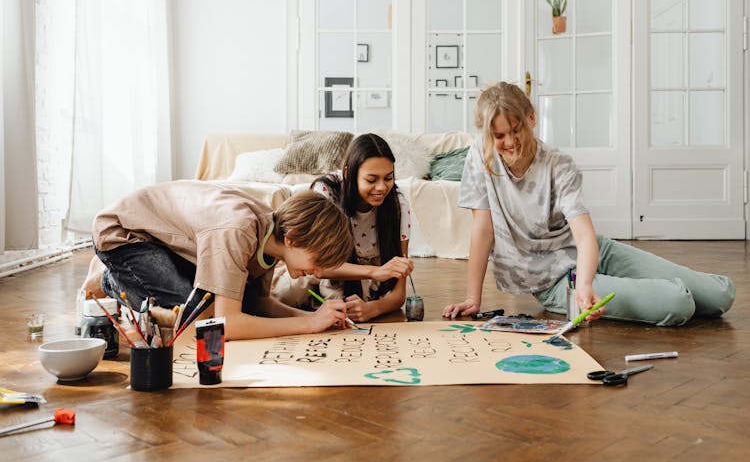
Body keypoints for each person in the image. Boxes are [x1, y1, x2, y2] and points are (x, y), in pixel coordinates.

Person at [443, 81, 735, 326]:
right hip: (554, 281)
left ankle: (679, 289)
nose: (510, 142)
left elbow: (584, 236)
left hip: (593, 254)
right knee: (678, 303)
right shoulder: (478, 158)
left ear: (531, 118)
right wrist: (473, 298)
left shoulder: (559, 166)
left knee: (722, 295)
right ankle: (665, 294)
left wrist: (585, 285)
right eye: (499, 135)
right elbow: (483, 231)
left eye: (516, 129)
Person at [82, 181, 355, 340]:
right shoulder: (238, 230)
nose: (318, 272)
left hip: (172, 246)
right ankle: (108, 277)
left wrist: (317, 317)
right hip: (125, 233)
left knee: (243, 306)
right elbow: (227, 323)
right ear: (293, 239)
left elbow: (260, 303)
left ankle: (121, 274)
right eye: (318, 260)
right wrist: (308, 325)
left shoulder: (273, 243)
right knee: (197, 317)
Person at [272, 133, 414, 322]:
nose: (381, 187)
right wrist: (374, 271)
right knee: (283, 297)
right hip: (316, 270)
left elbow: (398, 294)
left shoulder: (399, 206)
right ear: (348, 174)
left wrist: (373, 309)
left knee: (351, 308)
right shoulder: (326, 193)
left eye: (388, 178)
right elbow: (318, 266)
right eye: (371, 180)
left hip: (364, 284)